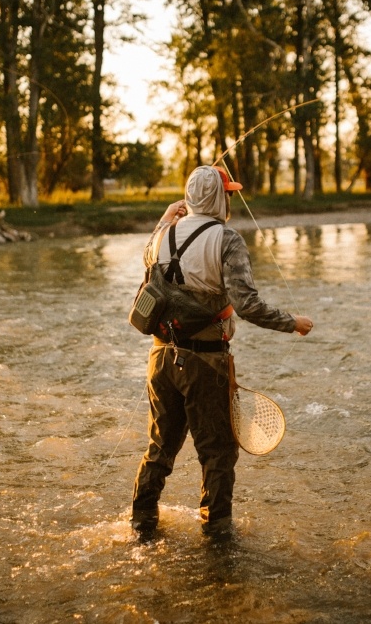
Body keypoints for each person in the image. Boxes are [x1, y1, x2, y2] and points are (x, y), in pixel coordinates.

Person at [130, 165, 314, 538]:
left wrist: (164, 220)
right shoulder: (227, 240)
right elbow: (246, 305)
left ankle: (141, 523)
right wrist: (292, 322)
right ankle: (217, 535)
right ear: (218, 197)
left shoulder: (161, 236)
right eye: (227, 193)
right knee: (217, 453)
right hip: (205, 363)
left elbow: (149, 266)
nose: (230, 199)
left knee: (160, 448)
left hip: (160, 358)